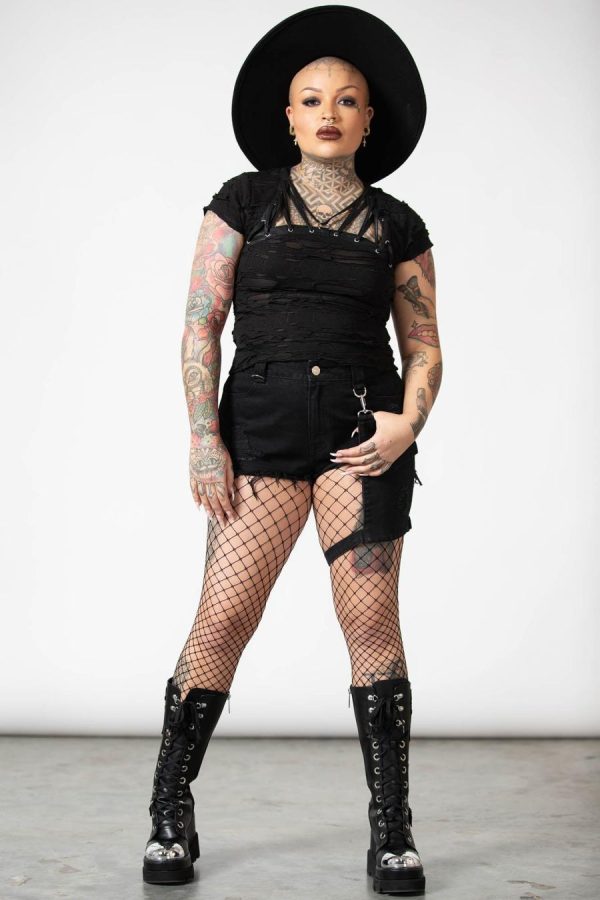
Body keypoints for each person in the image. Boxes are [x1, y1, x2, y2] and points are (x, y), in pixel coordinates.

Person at [142, 5, 442, 895]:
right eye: (312, 99)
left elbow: (424, 345)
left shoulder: (397, 224)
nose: (328, 113)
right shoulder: (243, 200)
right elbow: (201, 323)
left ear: (368, 119)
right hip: (262, 430)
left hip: (363, 436)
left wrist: (408, 423)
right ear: (287, 116)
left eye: (346, 100)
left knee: (371, 626)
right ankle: (169, 814)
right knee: (223, 620)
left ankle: (393, 831)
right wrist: (205, 438)